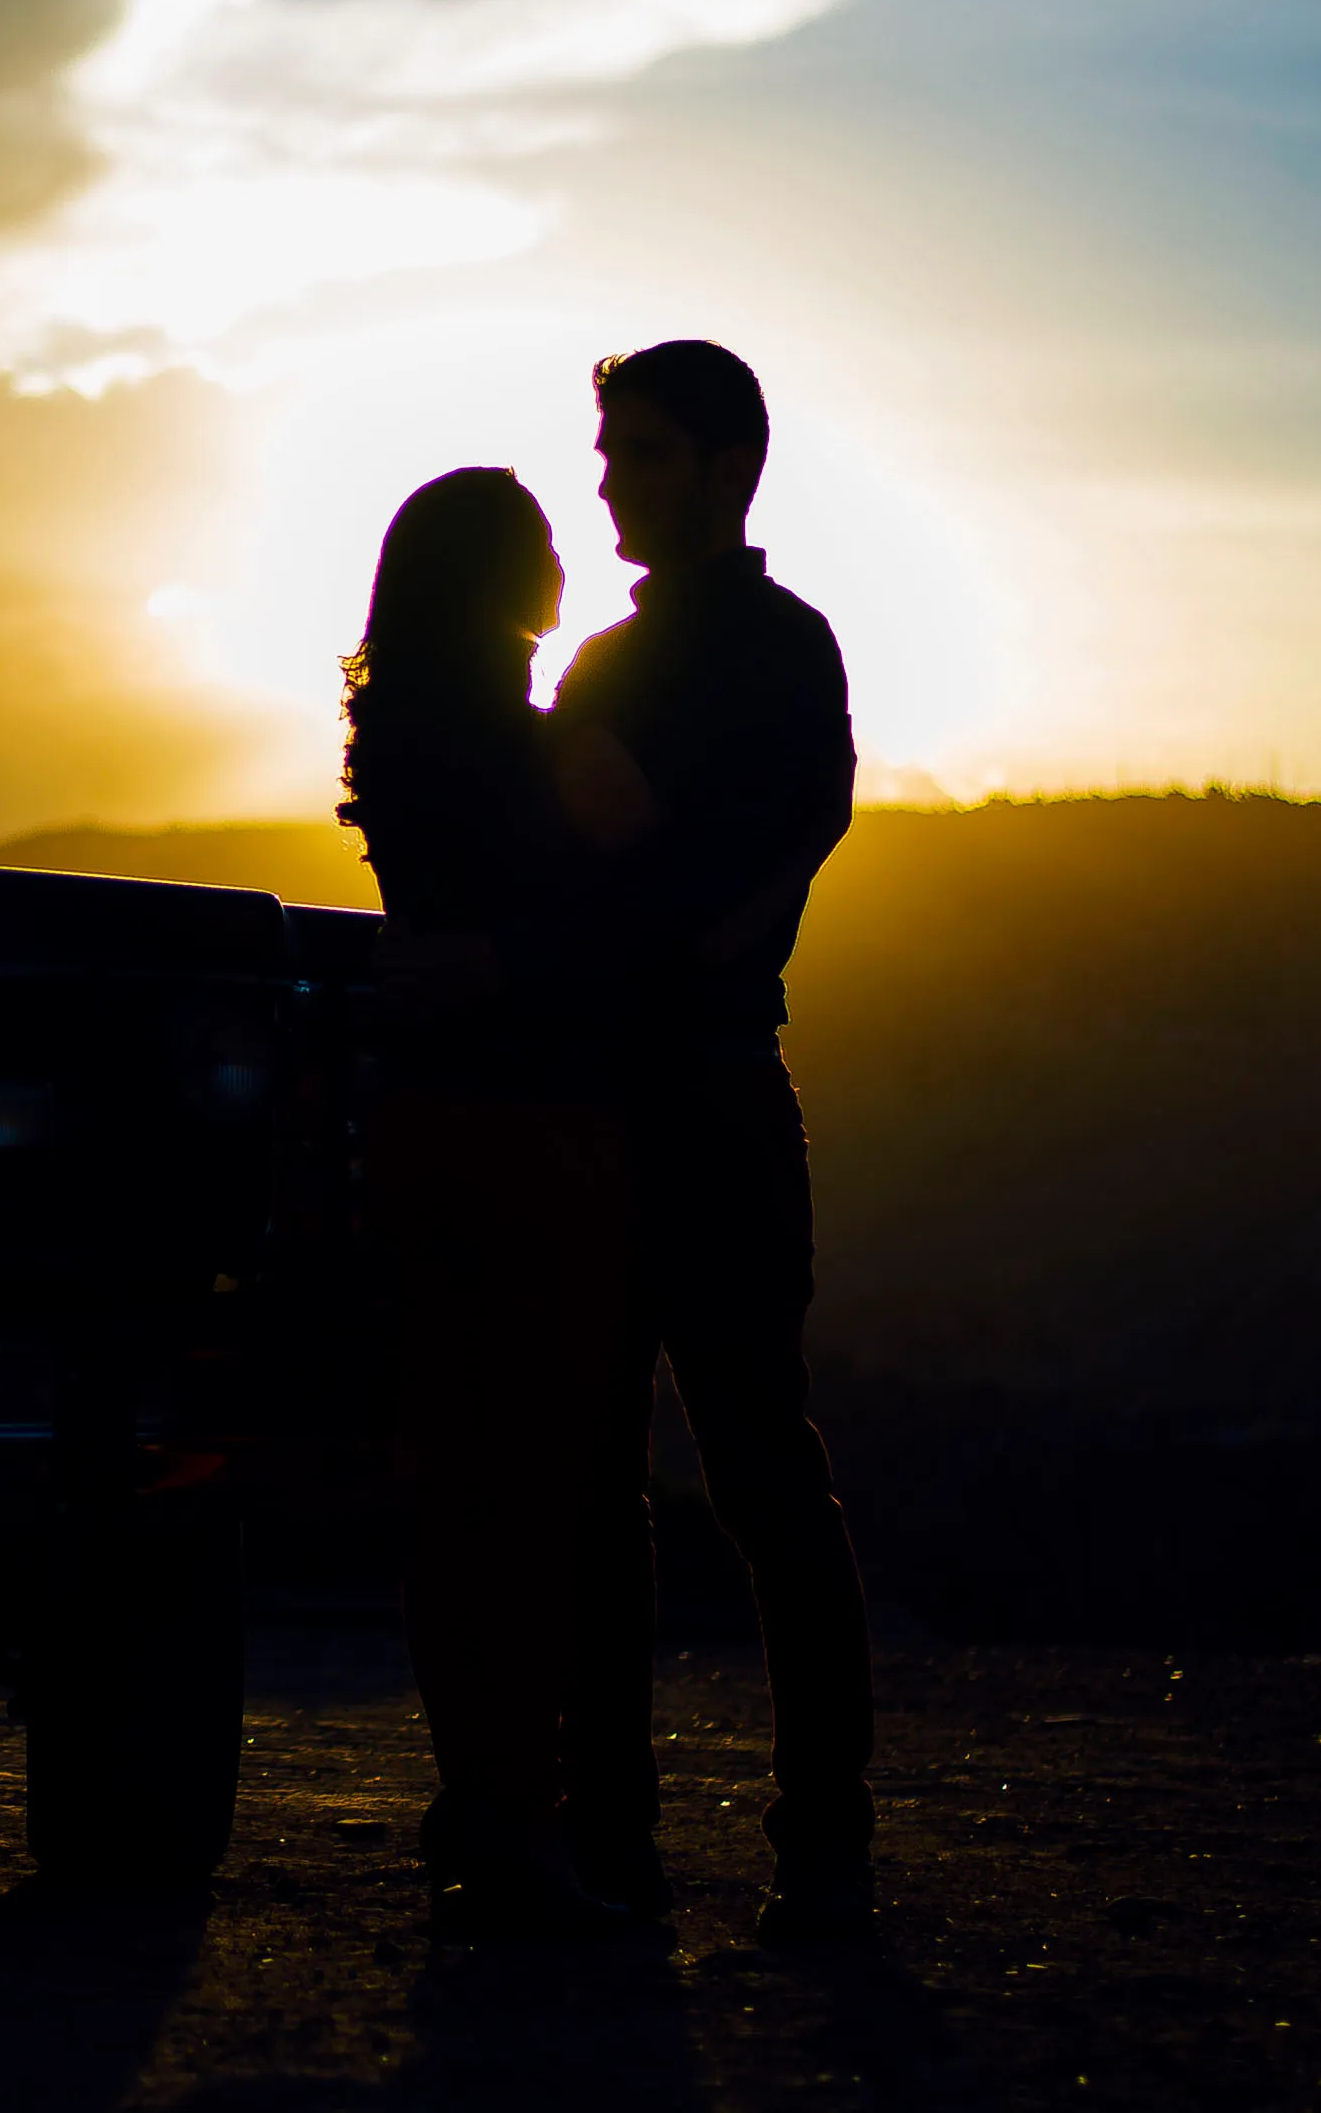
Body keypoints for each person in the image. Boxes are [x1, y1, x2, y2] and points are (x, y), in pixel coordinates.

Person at [547, 339, 877, 1945]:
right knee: (611, 1479)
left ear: (727, 464)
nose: (608, 475)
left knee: (752, 1470)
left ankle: (812, 1837)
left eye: (644, 450)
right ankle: (614, 1827)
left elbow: (745, 872)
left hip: (702, 1093)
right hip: (628, 1096)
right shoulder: (617, 666)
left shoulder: (774, 655)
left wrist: (633, 904)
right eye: (611, 448)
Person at [339, 467, 653, 1941]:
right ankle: (519, 1820)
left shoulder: (397, 735)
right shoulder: (535, 753)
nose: (560, 566)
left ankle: (476, 1794)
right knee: (530, 1493)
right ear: (508, 583)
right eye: (538, 549)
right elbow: (605, 917)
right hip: (540, 1134)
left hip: (421, 1128)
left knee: (457, 1486)